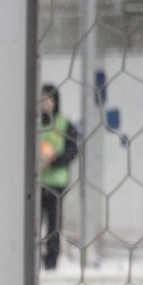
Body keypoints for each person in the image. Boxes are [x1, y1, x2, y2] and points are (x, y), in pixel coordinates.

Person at [39, 83, 79, 271]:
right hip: (37, 182)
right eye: (41, 100)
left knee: (54, 224)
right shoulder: (35, 123)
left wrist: (55, 161)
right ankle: (35, 258)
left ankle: (51, 262)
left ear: (55, 101)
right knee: (34, 223)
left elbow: (73, 149)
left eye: (48, 99)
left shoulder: (64, 124)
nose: (44, 104)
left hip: (56, 182)